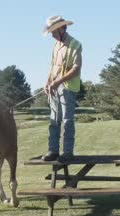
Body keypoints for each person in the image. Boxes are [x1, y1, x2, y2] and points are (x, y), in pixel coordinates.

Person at [41, 15, 82, 163]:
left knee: (67, 121)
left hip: (68, 88)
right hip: (54, 88)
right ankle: (53, 151)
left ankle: (67, 152)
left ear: (60, 29)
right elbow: (52, 67)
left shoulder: (75, 44)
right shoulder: (56, 46)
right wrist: (47, 83)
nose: (52, 35)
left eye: (53, 32)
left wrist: (58, 81)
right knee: (54, 121)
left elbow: (76, 69)